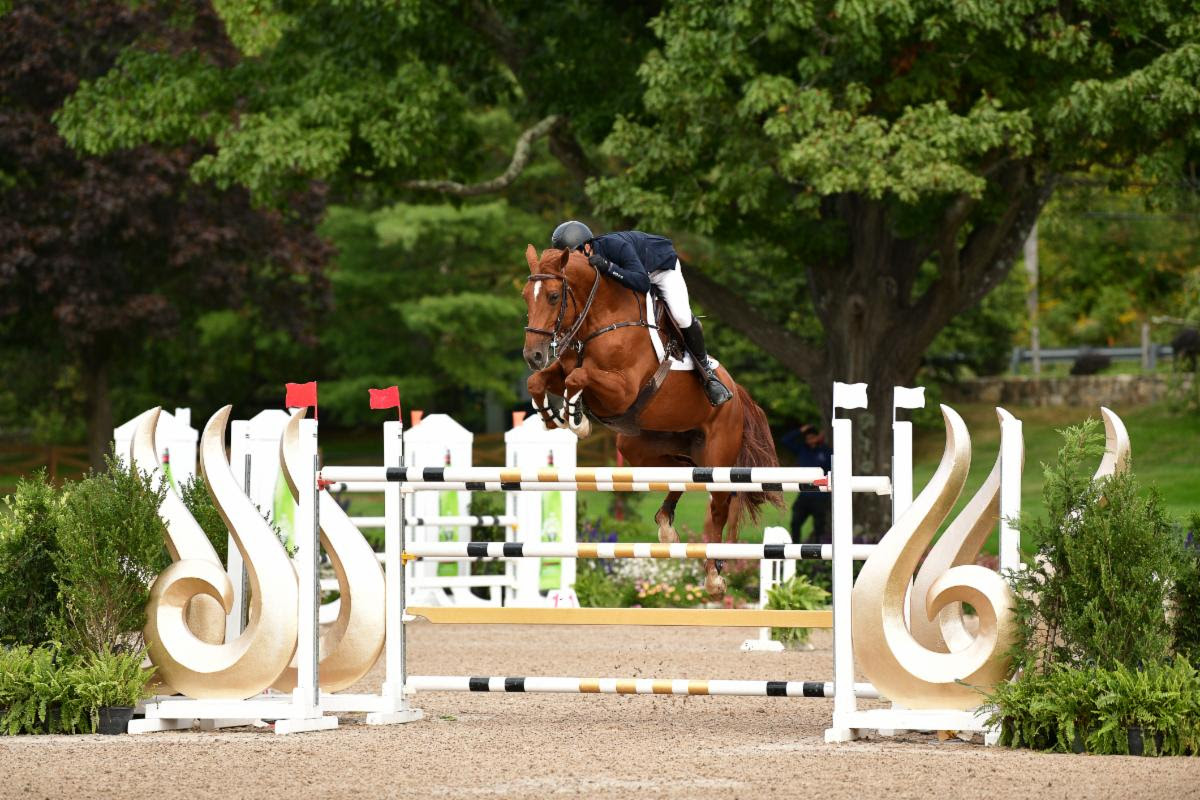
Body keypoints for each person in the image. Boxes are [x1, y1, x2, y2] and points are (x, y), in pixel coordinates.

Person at [550, 220, 732, 407]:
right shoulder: (585, 264)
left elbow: (643, 283)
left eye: (572, 257)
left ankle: (707, 373)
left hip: (659, 268)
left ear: (587, 247)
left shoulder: (616, 246)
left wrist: (608, 266)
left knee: (681, 316)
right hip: (631, 273)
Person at [780, 423, 833, 544]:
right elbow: (785, 440)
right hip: (805, 494)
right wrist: (800, 430)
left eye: (812, 437)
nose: (809, 440)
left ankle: (818, 550)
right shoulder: (802, 449)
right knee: (795, 522)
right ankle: (795, 547)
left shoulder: (826, 451)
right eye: (807, 438)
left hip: (821, 496)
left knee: (819, 526)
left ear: (818, 437)